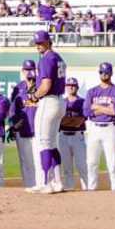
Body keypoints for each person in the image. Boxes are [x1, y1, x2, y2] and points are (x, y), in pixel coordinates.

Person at [30, 30, 70, 192]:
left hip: (48, 101)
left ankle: (45, 183)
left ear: (48, 41)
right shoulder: (59, 57)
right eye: (36, 43)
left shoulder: (46, 59)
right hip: (60, 101)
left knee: (43, 143)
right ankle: (58, 182)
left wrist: (34, 96)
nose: (38, 45)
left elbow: (45, 86)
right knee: (53, 143)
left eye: (41, 42)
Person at [81, 64, 115, 191]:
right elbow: (86, 112)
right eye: (101, 72)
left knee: (112, 163)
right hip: (94, 128)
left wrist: (96, 107)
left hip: (110, 128)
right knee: (91, 162)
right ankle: (92, 189)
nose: (103, 74)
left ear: (111, 73)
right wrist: (107, 108)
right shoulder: (92, 91)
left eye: (106, 72)